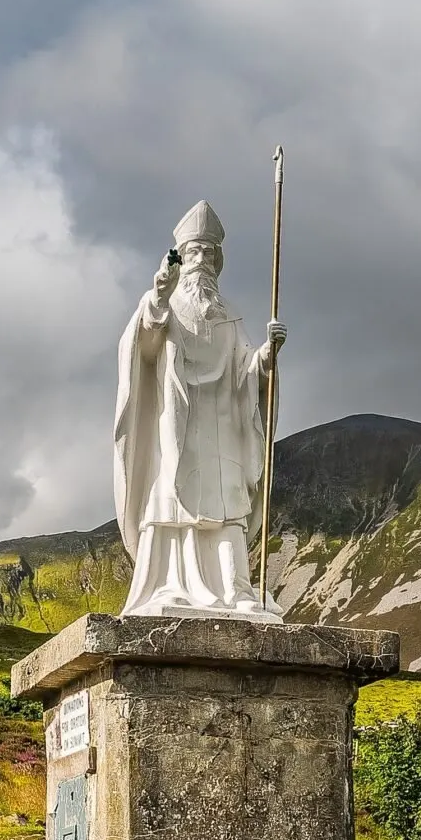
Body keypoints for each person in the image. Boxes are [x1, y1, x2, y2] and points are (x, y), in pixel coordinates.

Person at [114, 200, 285, 619]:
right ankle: (170, 584)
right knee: (172, 498)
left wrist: (268, 354)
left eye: (209, 254)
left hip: (223, 425)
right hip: (178, 425)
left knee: (228, 505)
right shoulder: (166, 305)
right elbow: (146, 345)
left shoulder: (229, 316)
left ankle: (235, 589)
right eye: (195, 253)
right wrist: (157, 294)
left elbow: (246, 368)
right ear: (182, 259)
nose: (203, 261)